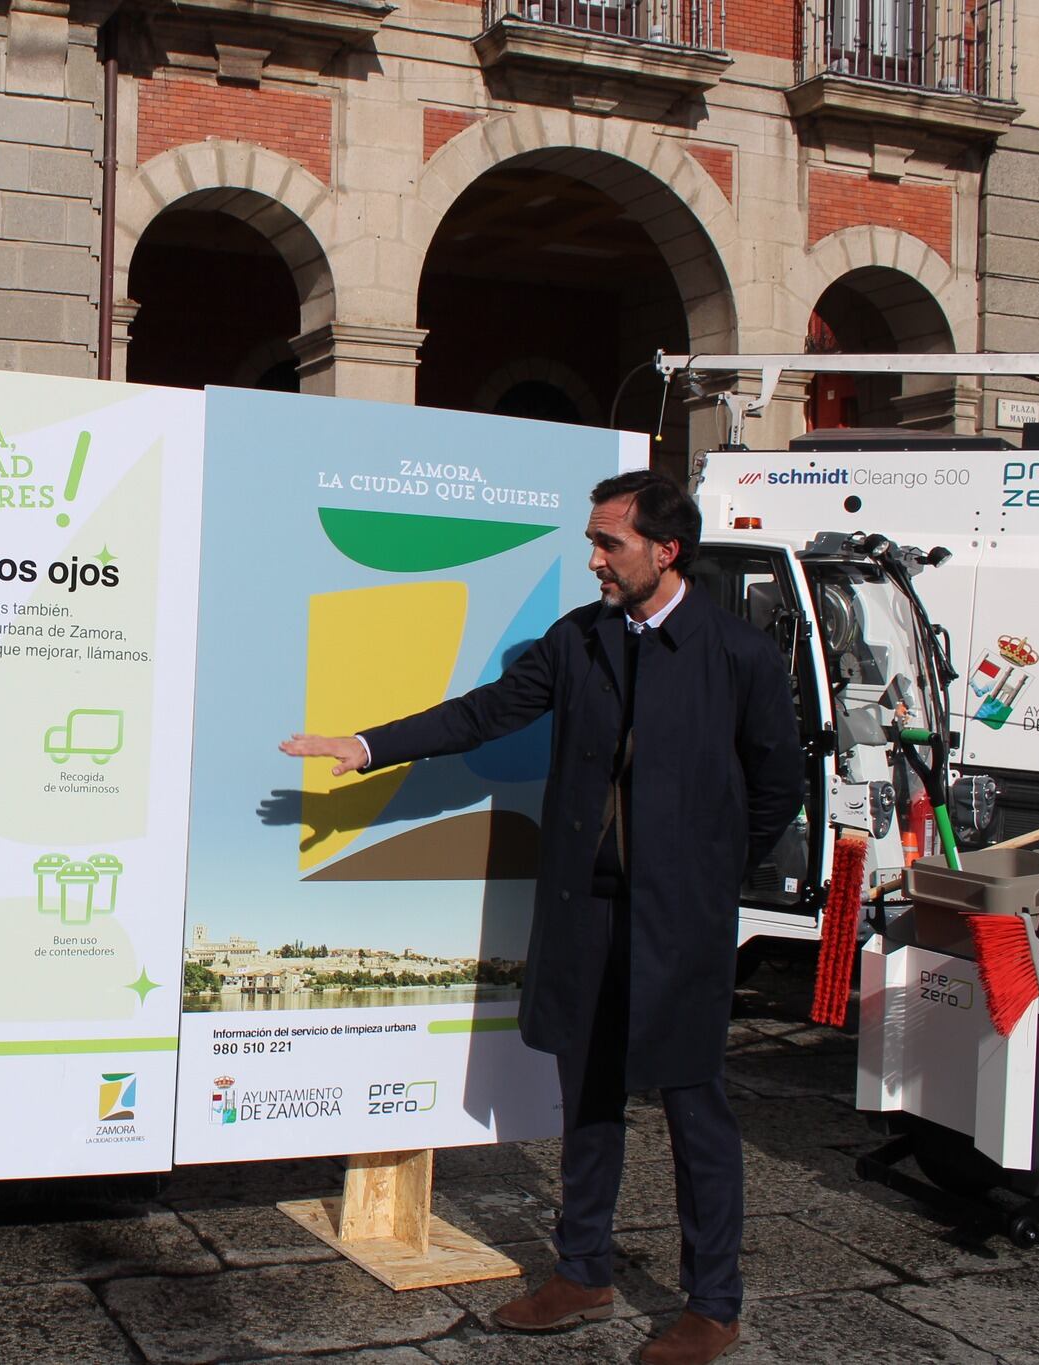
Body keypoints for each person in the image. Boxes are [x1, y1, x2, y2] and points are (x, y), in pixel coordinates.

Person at [284, 469, 802, 1365]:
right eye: (594, 540)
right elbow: (485, 713)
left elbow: (777, 788)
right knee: (588, 1096)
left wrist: (709, 877)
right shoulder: (580, 640)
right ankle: (583, 1271)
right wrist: (366, 746)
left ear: (665, 550)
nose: (594, 557)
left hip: (680, 923)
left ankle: (714, 1303)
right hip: (584, 912)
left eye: (610, 543)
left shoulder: (739, 654)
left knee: (695, 1110)